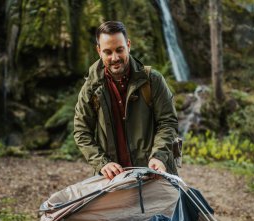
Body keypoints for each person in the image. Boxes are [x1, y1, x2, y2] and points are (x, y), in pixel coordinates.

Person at [74, 21, 179, 180]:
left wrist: (159, 155)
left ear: (128, 45)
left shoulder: (153, 80)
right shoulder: (90, 88)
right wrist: (102, 163)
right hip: (114, 180)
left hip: (154, 174)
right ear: (98, 51)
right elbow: (82, 132)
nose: (115, 57)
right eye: (108, 52)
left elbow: (168, 121)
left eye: (119, 50)